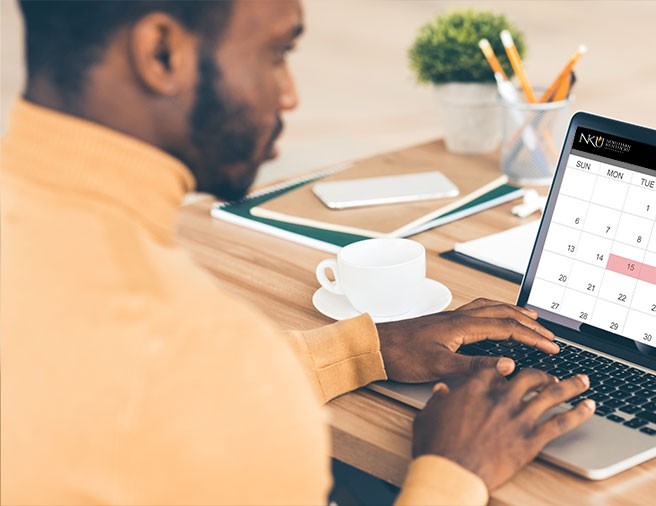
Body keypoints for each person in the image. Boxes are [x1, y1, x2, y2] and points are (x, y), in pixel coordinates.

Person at [0, 1, 595, 504]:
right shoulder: (205, 354)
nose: (288, 96)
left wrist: (363, 348)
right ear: (161, 53)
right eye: (276, 53)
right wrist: (455, 472)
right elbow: (191, 379)